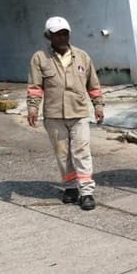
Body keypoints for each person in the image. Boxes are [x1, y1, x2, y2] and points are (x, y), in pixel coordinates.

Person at [27, 16, 105, 211]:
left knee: (81, 152)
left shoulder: (82, 57)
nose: (62, 38)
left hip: (78, 113)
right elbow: (35, 87)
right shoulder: (40, 58)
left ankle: (86, 192)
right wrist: (33, 107)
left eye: (65, 33)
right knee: (63, 155)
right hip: (54, 116)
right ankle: (70, 188)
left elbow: (93, 85)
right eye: (57, 34)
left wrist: (98, 105)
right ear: (49, 36)